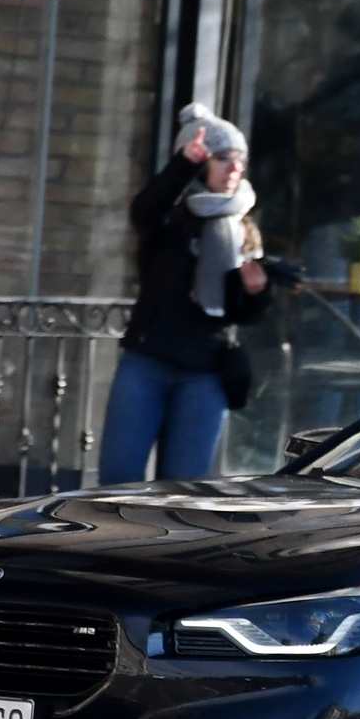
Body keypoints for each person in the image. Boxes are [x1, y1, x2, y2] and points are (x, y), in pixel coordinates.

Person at [98, 105, 275, 484]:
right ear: (200, 165)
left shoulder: (242, 226)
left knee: (183, 490)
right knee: (118, 480)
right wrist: (183, 164)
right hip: (148, 362)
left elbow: (244, 314)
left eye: (240, 161)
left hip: (205, 372)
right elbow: (145, 210)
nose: (234, 169)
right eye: (222, 158)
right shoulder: (170, 219)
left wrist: (258, 291)